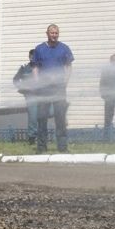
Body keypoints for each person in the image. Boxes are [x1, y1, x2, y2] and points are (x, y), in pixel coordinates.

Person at [32, 24, 74, 154]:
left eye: (56, 33)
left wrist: (65, 82)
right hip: (44, 89)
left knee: (60, 118)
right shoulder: (39, 49)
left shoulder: (64, 48)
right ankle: (41, 147)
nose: (54, 35)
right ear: (47, 33)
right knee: (42, 118)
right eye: (52, 33)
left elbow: (68, 66)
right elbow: (35, 68)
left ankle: (62, 147)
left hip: (59, 89)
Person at [12, 49, 39, 145]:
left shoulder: (42, 67)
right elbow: (15, 80)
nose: (32, 58)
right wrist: (22, 88)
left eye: (34, 56)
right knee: (33, 116)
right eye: (31, 56)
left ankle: (42, 136)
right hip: (30, 96)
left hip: (43, 95)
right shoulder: (24, 68)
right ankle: (32, 138)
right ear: (29, 57)